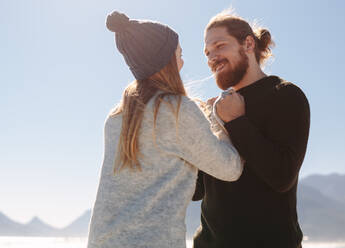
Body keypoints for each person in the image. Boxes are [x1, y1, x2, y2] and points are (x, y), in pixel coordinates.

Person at [87, 11, 243, 248]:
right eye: (179, 54)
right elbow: (230, 168)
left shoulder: (118, 116)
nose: (182, 61)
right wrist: (223, 121)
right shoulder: (177, 111)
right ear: (165, 61)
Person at [192, 10, 311, 248]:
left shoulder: (285, 95)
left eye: (219, 46)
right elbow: (197, 191)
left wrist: (236, 121)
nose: (212, 57)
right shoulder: (213, 109)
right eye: (207, 52)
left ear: (247, 44)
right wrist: (191, 135)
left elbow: (282, 175)